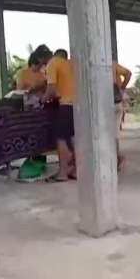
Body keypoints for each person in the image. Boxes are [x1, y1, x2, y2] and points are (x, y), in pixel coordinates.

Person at [43, 48, 77, 182]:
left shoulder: (53, 63)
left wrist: (43, 100)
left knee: (61, 138)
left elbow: (51, 89)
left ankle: (62, 173)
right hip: (78, 106)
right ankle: (77, 170)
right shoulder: (72, 64)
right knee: (74, 139)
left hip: (65, 105)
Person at [113, 61, 132, 168]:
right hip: (116, 101)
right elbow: (128, 74)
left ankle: (117, 158)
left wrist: (122, 88)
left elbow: (129, 73)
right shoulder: (113, 65)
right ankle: (118, 158)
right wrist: (122, 88)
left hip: (112, 102)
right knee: (113, 134)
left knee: (112, 135)